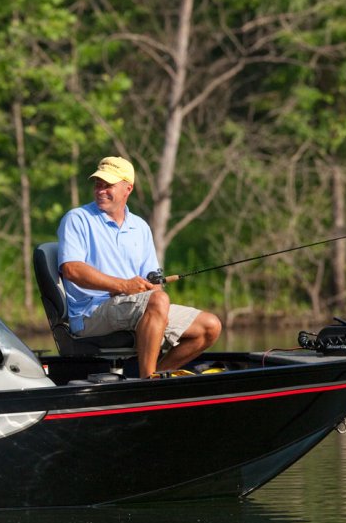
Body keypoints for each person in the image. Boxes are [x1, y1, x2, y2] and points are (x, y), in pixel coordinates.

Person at [57, 156, 222, 378]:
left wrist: (151, 289)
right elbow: (72, 269)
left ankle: (155, 376)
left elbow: (153, 283)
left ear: (128, 188)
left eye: (108, 185)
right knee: (159, 301)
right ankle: (148, 381)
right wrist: (124, 285)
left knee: (210, 326)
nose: (100, 190)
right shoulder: (77, 218)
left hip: (133, 307)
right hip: (90, 314)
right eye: (98, 184)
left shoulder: (140, 227)